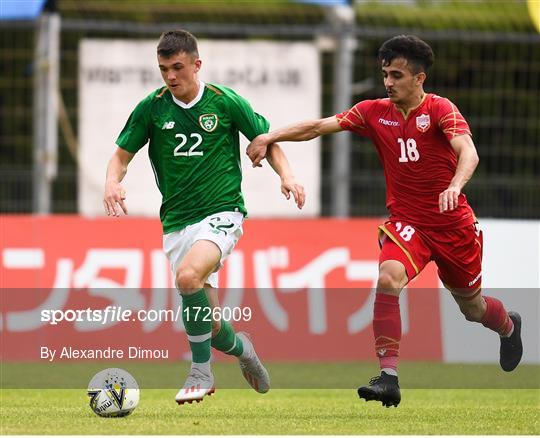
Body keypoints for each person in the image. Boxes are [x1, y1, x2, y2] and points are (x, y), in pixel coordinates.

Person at [246, 35, 522, 408]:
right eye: (385, 74)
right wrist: (270, 135)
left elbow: (468, 152)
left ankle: (508, 326)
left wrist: (456, 184)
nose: (388, 82)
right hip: (408, 222)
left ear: (419, 78)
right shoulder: (373, 112)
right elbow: (318, 126)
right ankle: (388, 376)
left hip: (453, 226)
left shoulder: (441, 109)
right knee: (388, 276)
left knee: (472, 309)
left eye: (396, 75)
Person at [103, 30, 305, 405]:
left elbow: (266, 139)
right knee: (209, 324)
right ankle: (243, 348)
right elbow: (120, 156)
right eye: (163, 69)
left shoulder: (224, 102)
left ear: (197, 65)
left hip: (222, 212)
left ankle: (200, 372)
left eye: (178, 67)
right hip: (177, 223)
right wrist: (112, 183)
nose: (170, 76)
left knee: (188, 276)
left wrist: (287, 175)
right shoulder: (152, 107)